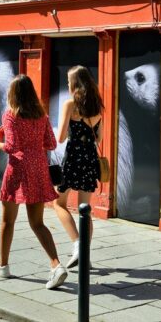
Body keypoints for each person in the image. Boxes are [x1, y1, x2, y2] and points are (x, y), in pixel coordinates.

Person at [0, 75, 68, 290]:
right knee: (38, 223)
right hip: (39, 169)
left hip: (18, 170)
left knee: (8, 221)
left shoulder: (10, 116)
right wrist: (34, 145)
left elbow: (11, 146)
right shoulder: (41, 116)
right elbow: (51, 144)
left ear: (12, 95)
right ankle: (56, 265)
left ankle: (3, 265)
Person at [53, 66, 103, 268]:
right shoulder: (97, 106)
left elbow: (61, 137)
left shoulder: (70, 104)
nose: (67, 85)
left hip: (73, 156)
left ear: (75, 84)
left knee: (58, 203)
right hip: (89, 158)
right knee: (85, 210)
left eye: (68, 81)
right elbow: (98, 138)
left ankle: (77, 245)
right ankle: (85, 255)